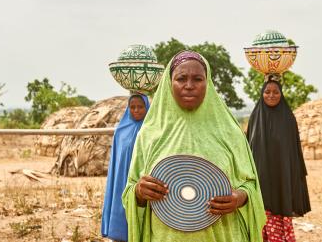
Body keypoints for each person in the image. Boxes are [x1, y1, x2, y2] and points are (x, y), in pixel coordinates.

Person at [122, 50, 266, 242]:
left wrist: (239, 198)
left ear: (208, 83)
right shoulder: (149, 134)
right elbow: (131, 190)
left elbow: (251, 186)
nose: (189, 86)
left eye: (198, 79)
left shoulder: (230, 133)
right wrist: (139, 192)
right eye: (181, 78)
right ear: (168, 83)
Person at [246, 78, 311, 242]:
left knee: (279, 215)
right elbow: (248, 148)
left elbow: (293, 152)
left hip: (282, 177)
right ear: (261, 94)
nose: (271, 95)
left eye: (276, 92)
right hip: (260, 177)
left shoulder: (288, 119)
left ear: (282, 94)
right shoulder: (255, 117)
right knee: (260, 216)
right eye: (267, 92)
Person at [102, 94, 150, 242]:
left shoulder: (151, 130)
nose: (136, 110)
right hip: (121, 182)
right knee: (121, 214)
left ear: (147, 108)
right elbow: (116, 161)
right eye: (132, 107)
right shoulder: (121, 131)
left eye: (140, 107)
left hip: (140, 182)